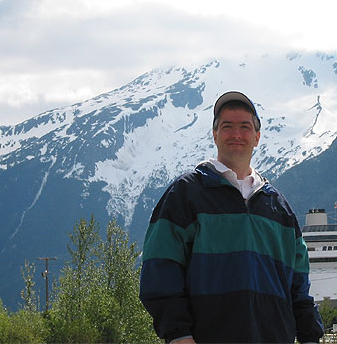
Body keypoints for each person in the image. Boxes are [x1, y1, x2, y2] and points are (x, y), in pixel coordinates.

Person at [139, 91, 324, 343]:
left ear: (257, 137)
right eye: (227, 127)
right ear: (215, 135)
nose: (236, 134)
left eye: (245, 127)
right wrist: (178, 335)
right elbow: (160, 270)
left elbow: (299, 286)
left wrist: (310, 336)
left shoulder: (280, 209)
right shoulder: (185, 194)